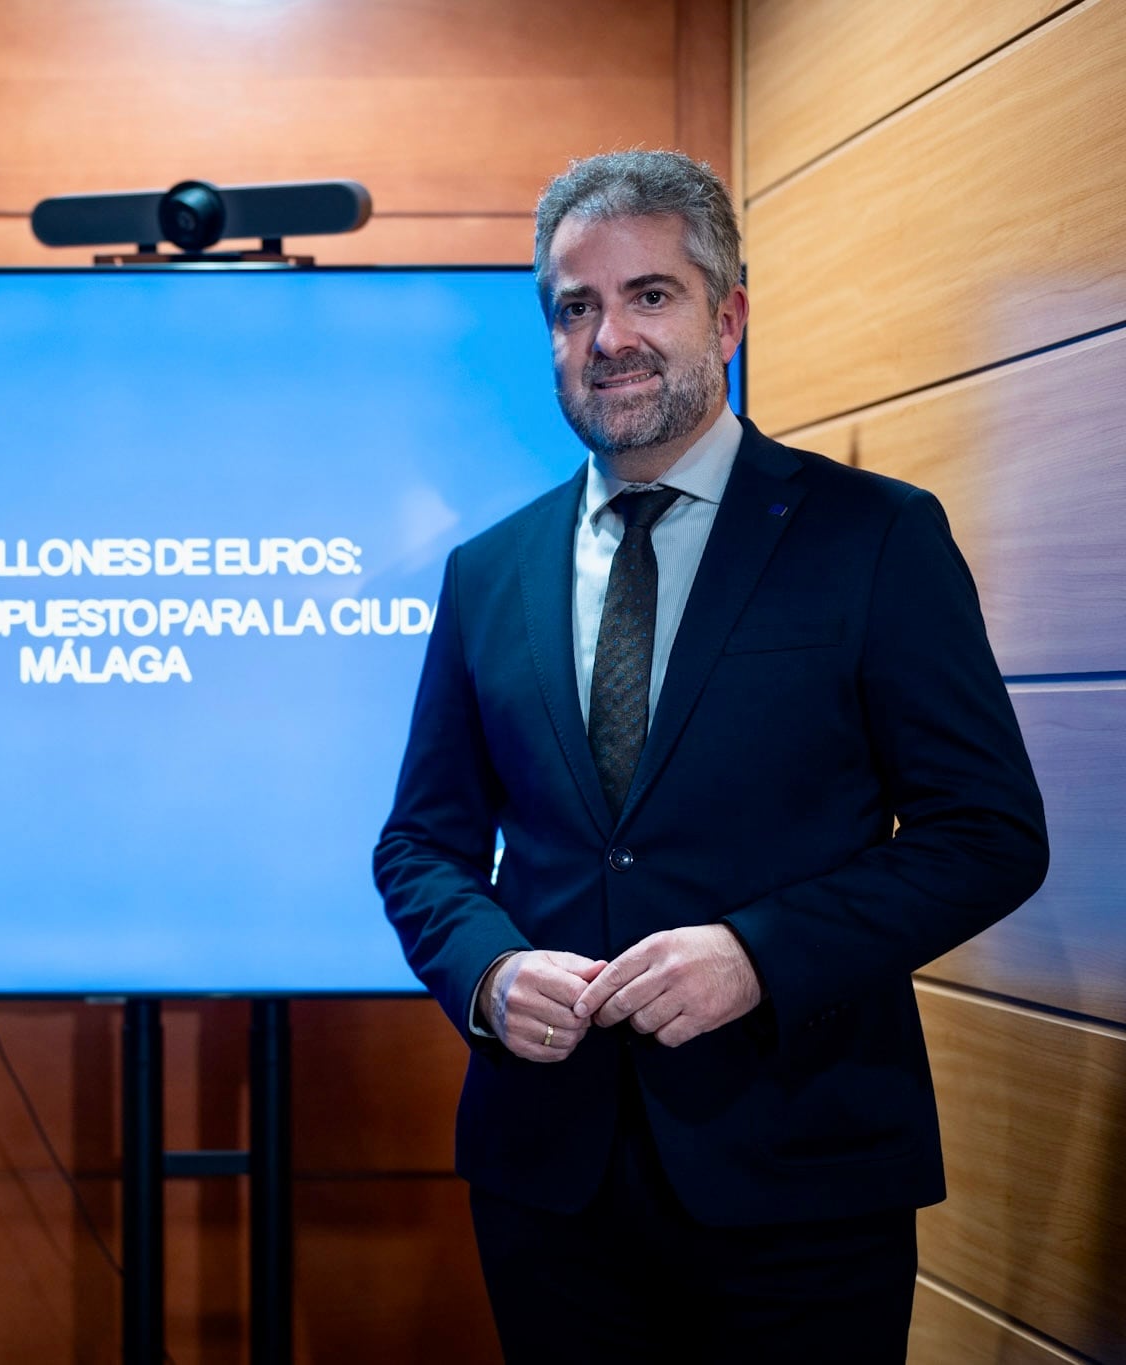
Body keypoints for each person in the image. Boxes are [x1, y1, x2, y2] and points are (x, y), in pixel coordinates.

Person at [373, 151, 1047, 1362]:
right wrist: (485, 972)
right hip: (548, 1183)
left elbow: (985, 834)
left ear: (725, 314)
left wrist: (757, 954)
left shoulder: (872, 536)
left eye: (648, 296)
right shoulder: (489, 571)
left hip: (798, 1174)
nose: (607, 337)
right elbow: (420, 840)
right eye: (572, 308)